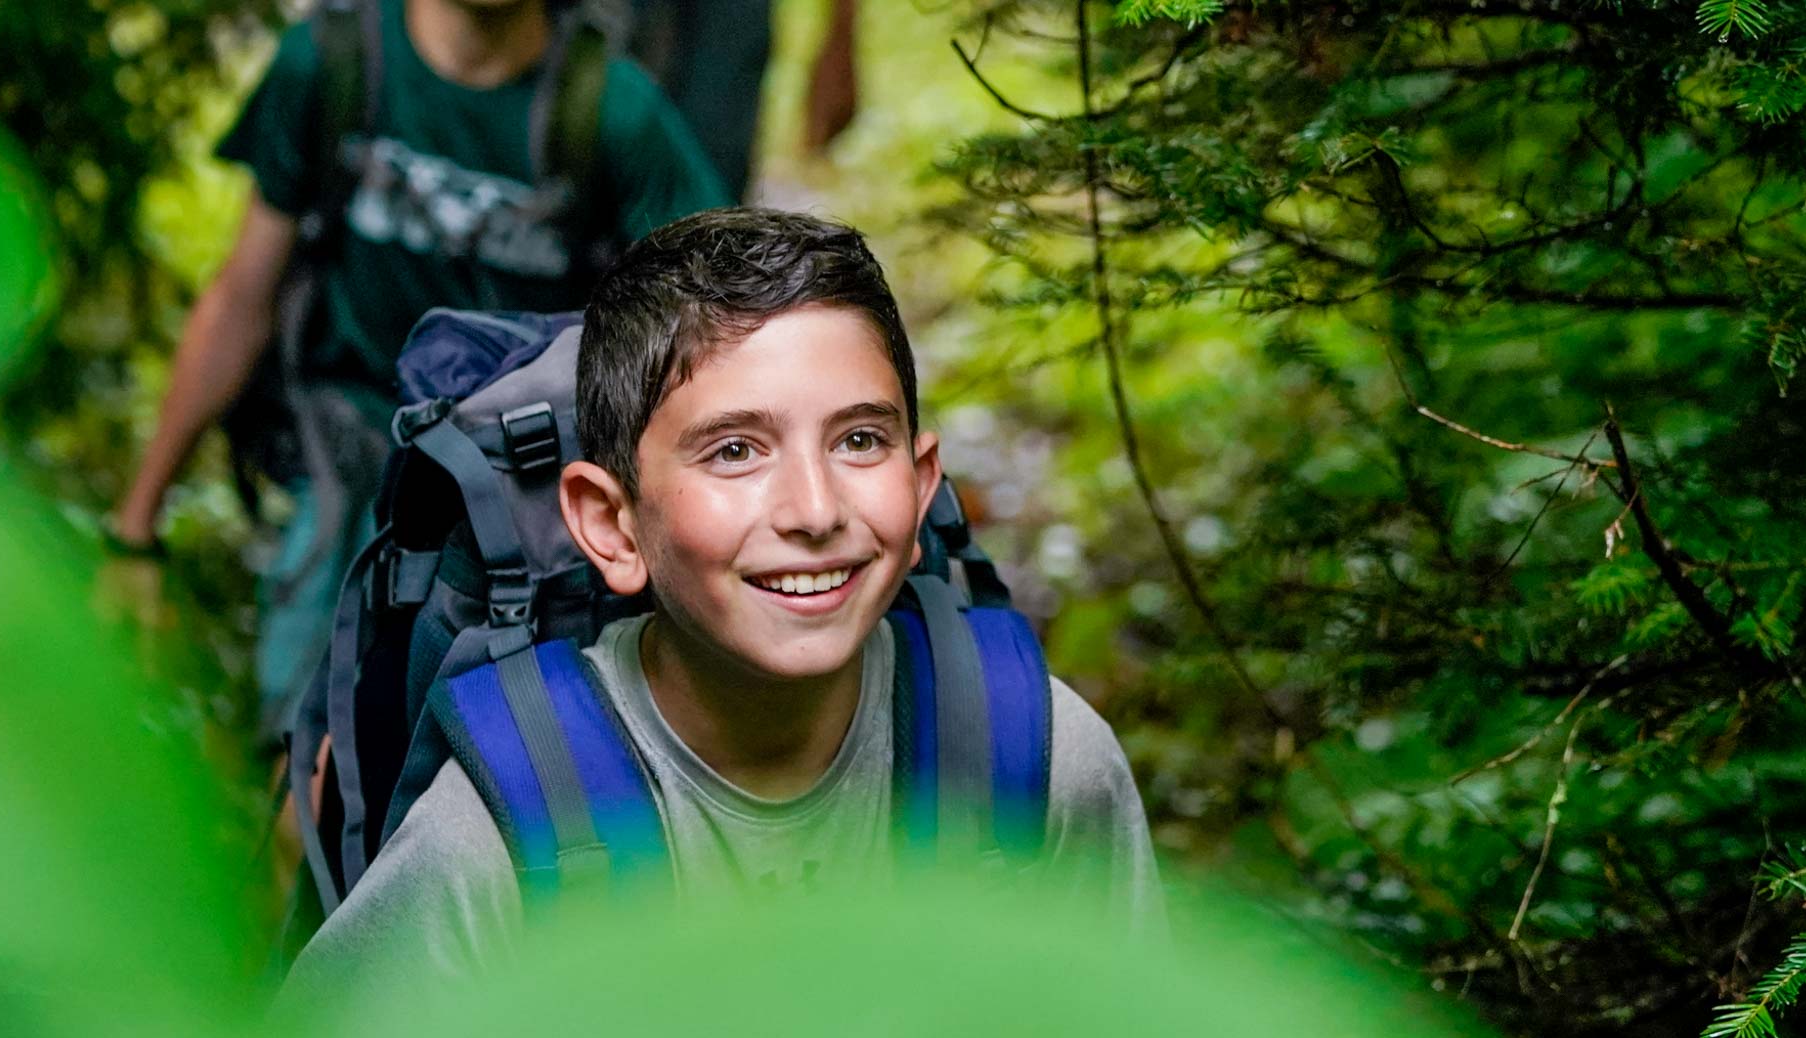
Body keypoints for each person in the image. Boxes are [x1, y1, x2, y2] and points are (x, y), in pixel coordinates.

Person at [283, 208, 1163, 993]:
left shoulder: (1041, 766)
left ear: (923, 480)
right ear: (611, 524)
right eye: (735, 451)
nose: (815, 511)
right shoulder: (504, 842)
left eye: (860, 439)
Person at [107, 0, 727, 735]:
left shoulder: (615, 116)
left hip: (525, 482)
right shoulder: (332, 65)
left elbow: (707, 342)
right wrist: (135, 529)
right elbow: (243, 297)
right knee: (303, 756)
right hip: (349, 447)